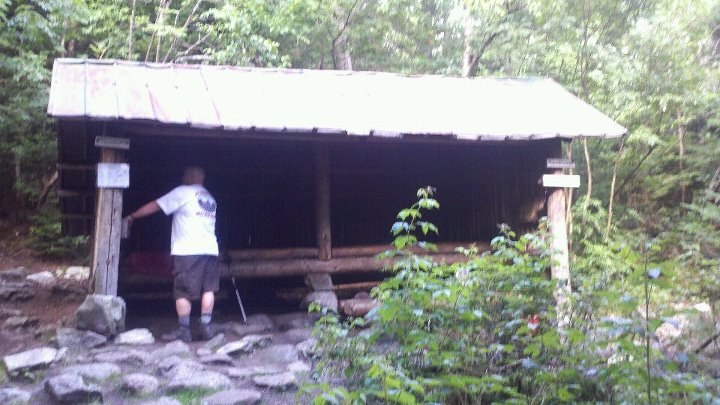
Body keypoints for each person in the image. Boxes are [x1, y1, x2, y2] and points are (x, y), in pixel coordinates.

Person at [124, 167, 219, 342]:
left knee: (183, 291)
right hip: (210, 249)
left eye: (183, 175)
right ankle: (206, 327)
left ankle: (184, 331)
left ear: (190, 177)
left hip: (189, 250)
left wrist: (133, 216)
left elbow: (157, 205)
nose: (182, 178)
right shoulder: (210, 198)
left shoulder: (183, 192)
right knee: (208, 289)